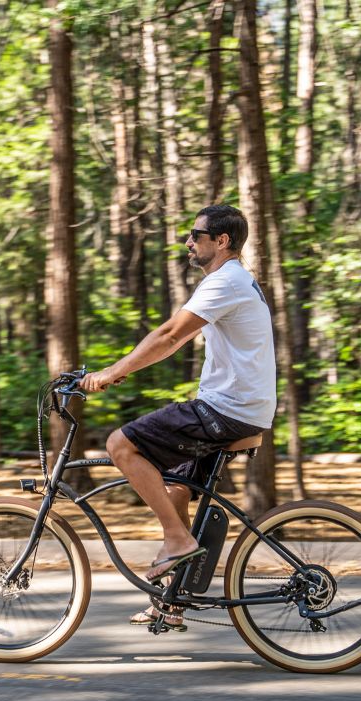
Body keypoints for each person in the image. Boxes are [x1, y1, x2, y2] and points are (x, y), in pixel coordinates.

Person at [80, 204, 276, 630]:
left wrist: (112, 373)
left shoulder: (226, 280)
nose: (189, 242)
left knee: (120, 444)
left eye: (195, 234)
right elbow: (176, 338)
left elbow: (171, 334)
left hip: (229, 409)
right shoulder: (233, 281)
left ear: (221, 241)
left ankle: (177, 539)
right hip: (238, 407)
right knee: (176, 490)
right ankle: (172, 599)